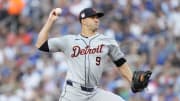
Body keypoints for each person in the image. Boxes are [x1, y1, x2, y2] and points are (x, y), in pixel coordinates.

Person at [35, 7, 151, 101]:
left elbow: (121, 63)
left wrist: (132, 80)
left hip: (94, 93)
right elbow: (40, 44)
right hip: (73, 93)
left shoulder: (107, 41)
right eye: (93, 17)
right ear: (83, 21)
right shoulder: (69, 41)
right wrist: (50, 21)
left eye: (97, 18)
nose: (97, 20)